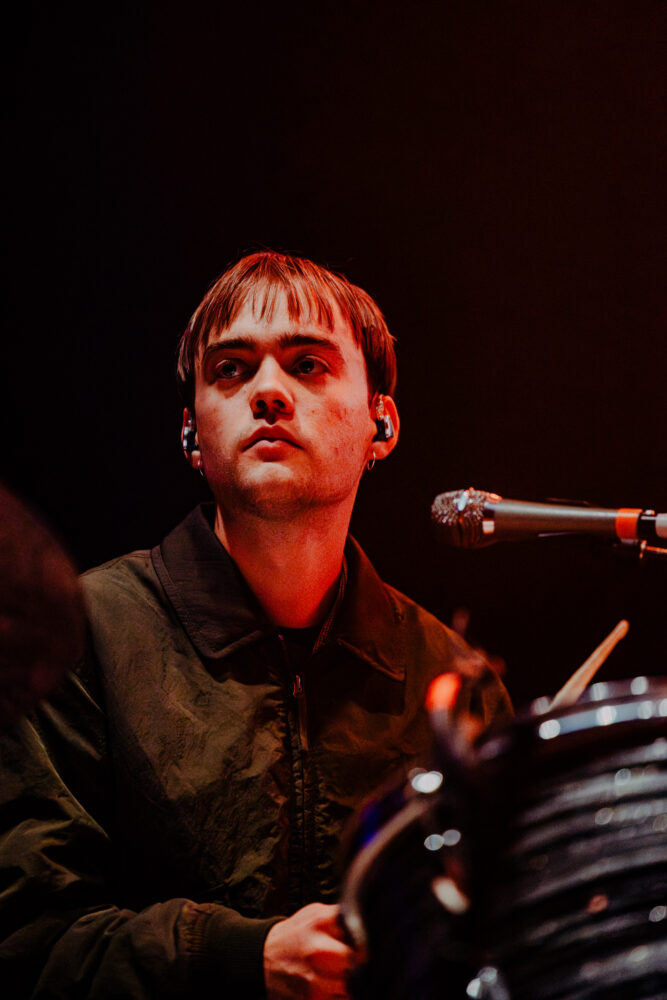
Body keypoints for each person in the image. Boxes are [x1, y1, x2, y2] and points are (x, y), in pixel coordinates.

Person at [0, 251, 511, 999]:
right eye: (232, 370)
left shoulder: (452, 679)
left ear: (381, 422)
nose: (268, 391)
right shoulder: (75, 639)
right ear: (190, 433)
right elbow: (26, 943)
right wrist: (244, 959)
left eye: (308, 365)